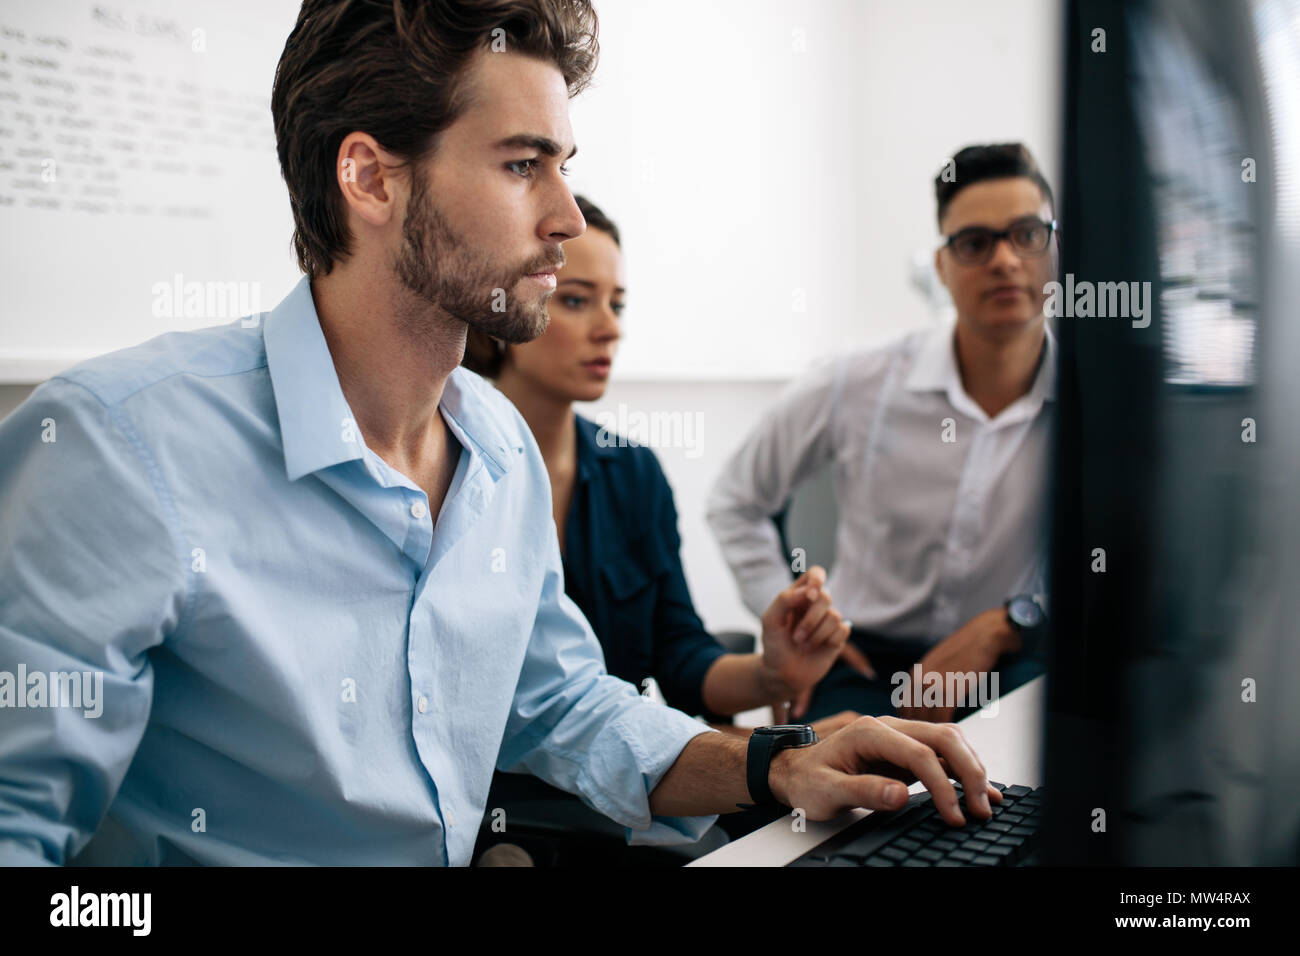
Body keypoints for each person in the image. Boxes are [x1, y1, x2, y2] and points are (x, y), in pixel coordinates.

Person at [0, 0, 999, 867]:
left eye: (563, 166)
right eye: (523, 165)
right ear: (370, 179)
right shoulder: (117, 447)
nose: (564, 216)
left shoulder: (497, 449)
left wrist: (780, 762)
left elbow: (561, 704)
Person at [463, 195, 857, 738]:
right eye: (576, 301)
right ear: (498, 311)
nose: (610, 329)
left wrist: (772, 674)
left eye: (616, 306)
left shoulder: (633, 473)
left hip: (617, 793)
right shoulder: (447, 468)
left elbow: (679, 654)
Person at [707, 143, 1057, 724]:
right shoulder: (856, 381)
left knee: (1030, 793)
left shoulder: (1100, 404)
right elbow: (735, 500)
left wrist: (1010, 624)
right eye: (974, 243)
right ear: (941, 267)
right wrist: (791, 623)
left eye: (1026, 234)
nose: (1004, 261)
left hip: (1012, 655)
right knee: (845, 799)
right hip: (864, 662)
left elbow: (1123, 563)